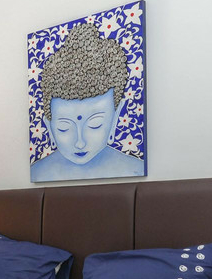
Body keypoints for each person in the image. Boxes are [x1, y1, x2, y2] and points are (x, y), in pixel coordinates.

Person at [30, 23, 144, 182]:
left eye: (95, 124)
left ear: (116, 117)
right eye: (64, 128)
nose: (80, 143)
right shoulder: (38, 172)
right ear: (49, 126)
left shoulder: (135, 168)